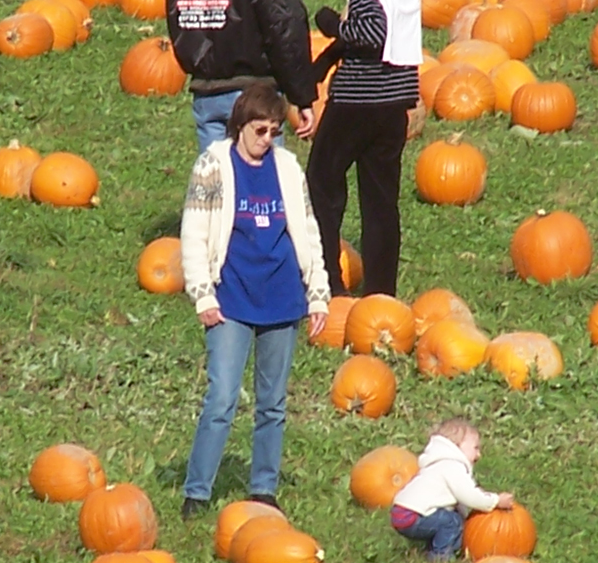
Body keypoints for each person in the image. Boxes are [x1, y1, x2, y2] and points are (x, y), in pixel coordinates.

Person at [178, 81, 330, 520]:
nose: (268, 139)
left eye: (274, 130)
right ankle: (198, 491)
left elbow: (307, 230)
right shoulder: (213, 165)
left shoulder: (286, 167)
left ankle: (264, 489)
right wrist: (202, 292)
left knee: (273, 402)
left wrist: (317, 294)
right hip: (231, 300)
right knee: (222, 398)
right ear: (241, 126)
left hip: (281, 297)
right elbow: (195, 232)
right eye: (260, 130)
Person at [305, 0, 422, 297]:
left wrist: (332, 24)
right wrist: (326, 62)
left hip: (356, 103)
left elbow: (371, 33)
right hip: (393, 104)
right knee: (381, 202)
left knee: (322, 183)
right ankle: (381, 292)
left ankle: (329, 281)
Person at [166, 0, 318, 153]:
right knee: (262, 172)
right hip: (257, 92)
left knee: (214, 172)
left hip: (207, 89)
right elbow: (284, 25)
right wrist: (302, 97)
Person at [391, 419, 514, 562]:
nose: (479, 455)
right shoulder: (452, 466)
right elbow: (470, 496)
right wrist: (496, 501)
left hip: (401, 512)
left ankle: (431, 550)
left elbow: (458, 501)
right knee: (452, 522)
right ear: (457, 446)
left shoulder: (438, 463)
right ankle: (441, 557)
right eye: (475, 448)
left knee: (449, 518)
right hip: (412, 515)